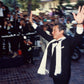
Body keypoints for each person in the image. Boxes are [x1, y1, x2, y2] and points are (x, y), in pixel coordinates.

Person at [30, 6, 84, 84]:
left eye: (54, 31)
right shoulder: (53, 41)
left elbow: (78, 38)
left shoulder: (68, 41)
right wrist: (32, 23)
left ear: (61, 31)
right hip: (54, 72)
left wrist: (79, 23)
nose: (52, 33)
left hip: (64, 74)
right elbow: (42, 33)